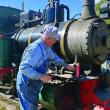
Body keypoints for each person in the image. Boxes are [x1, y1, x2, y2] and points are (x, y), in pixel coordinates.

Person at [16, 25, 74, 110]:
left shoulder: (46, 48)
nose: (55, 42)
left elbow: (55, 58)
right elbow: (24, 68)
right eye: (54, 40)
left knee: (33, 104)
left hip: (34, 83)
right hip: (27, 83)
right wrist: (41, 76)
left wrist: (66, 65)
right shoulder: (35, 49)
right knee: (28, 107)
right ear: (49, 38)